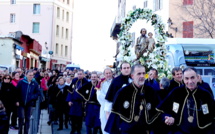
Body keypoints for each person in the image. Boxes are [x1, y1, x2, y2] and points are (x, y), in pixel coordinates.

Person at [156, 67, 215, 134]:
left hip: (202, 131)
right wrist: (168, 117)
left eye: (192, 78)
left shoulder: (205, 94)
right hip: (180, 131)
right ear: (183, 80)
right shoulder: (176, 92)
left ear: (197, 78)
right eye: (187, 78)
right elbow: (162, 110)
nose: (190, 82)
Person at [105, 64, 160, 134]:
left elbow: (157, 110)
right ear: (132, 76)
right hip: (127, 131)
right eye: (139, 74)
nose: (142, 76)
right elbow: (116, 115)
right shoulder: (123, 92)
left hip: (145, 130)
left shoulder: (150, 91)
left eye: (143, 73)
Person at [16, 70, 40, 134]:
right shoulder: (21, 82)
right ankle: (20, 131)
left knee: (27, 118)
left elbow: (37, 92)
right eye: (30, 75)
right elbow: (17, 92)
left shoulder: (35, 83)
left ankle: (26, 132)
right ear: (26, 75)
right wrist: (17, 100)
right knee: (21, 117)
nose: (31, 76)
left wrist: (32, 97)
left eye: (32, 75)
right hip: (21, 103)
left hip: (29, 103)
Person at [67, 69, 88, 134]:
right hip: (73, 102)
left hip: (80, 103)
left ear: (83, 75)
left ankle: (78, 130)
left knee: (79, 118)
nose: (79, 75)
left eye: (81, 74)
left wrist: (85, 101)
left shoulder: (86, 82)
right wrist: (69, 100)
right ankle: (73, 129)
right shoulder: (74, 81)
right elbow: (70, 91)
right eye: (78, 74)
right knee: (73, 117)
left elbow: (87, 93)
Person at [96, 68, 113, 134]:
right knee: (105, 126)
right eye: (107, 73)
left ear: (112, 73)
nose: (108, 75)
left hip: (115, 107)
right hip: (104, 107)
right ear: (104, 74)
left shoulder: (115, 81)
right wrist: (108, 102)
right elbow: (99, 96)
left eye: (109, 73)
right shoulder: (101, 82)